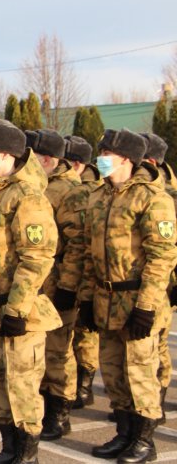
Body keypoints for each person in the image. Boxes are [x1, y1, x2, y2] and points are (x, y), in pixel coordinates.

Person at [80, 129, 177, 462]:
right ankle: (124, 433)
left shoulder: (152, 197)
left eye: (107, 151)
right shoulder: (99, 195)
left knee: (140, 373)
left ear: (127, 159)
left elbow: (161, 256)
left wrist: (147, 307)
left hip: (137, 299)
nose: (101, 157)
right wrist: (88, 299)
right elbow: (89, 252)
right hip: (106, 300)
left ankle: (144, 441)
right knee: (114, 373)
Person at [0, 119, 61, 463]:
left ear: (8, 154)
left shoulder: (27, 196)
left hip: (19, 313)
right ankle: (9, 448)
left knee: (22, 389)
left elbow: (36, 257)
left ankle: (26, 455)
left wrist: (16, 309)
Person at [25, 129, 88, 441]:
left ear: (47, 158)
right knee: (40, 350)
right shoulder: (37, 184)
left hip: (59, 281)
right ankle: (46, 405)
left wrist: (68, 285)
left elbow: (78, 245)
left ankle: (60, 412)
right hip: (39, 282)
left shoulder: (69, 191)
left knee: (59, 350)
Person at [140, 132, 177, 426]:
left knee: (160, 347)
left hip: (167, 282)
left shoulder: (167, 197)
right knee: (156, 346)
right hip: (157, 284)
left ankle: (158, 399)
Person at [64, 134, 101, 410]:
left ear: (76, 164)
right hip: (70, 270)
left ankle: (84, 384)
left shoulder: (87, 191)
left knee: (85, 332)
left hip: (82, 271)